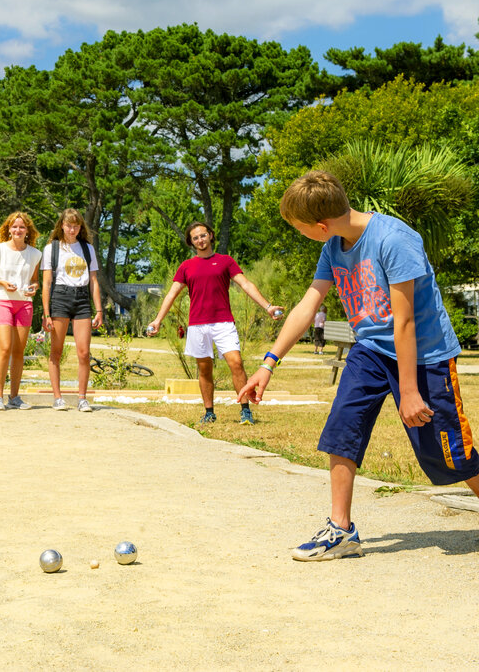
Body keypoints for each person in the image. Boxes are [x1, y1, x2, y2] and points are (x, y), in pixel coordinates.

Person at [239, 170, 479, 561]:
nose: (301, 235)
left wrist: (409, 390)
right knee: (343, 425)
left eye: (300, 229)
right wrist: (268, 363)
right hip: (369, 350)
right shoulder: (333, 244)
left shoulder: (395, 239)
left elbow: (405, 322)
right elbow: (308, 305)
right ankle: (341, 531)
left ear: (320, 224)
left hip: (424, 355)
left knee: (447, 451)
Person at [147, 221, 282, 425]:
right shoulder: (186, 266)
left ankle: (245, 411)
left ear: (210, 235)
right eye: (195, 238)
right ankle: (209, 412)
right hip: (197, 325)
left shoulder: (225, 261)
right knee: (204, 369)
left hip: (223, 323)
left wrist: (268, 306)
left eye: (203, 235)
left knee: (236, 363)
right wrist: (158, 320)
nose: (200, 240)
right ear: (191, 242)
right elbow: (172, 294)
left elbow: (245, 284)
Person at [41, 208, 103, 413]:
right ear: (62, 226)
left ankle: (82, 398)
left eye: (76, 225)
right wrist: (46, 313)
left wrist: (99, 310)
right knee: (56, 352)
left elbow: (93, 280)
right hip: (60, 296)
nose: (72, 229)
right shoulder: (52, 248)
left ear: (80, 227)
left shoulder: (87, 248)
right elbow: (47, 283)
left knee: (84, 352)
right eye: (68, 225)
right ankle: (57, 397)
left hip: (82, 298)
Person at [0, 212, 43, 410]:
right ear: (8, 229)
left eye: (21, 227)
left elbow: (34, 280)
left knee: (19, 351)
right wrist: (1, 282)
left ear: (27, 231)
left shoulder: (35, 254)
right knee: (5, 348)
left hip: (24, 304)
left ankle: (14, 398)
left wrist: (34, 287)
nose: (18, 230)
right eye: (14, 227)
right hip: (2, 301)